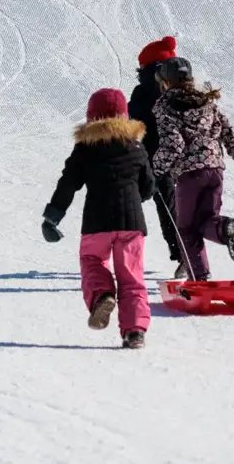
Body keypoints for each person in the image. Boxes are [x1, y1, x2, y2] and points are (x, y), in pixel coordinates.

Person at [42, 88, 155, 349]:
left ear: (92, 116)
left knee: (92, 261)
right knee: (132, 277)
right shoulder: (136, 147)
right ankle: (135, 331)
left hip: (97, 220)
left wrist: (52, 217)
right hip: (131, 223)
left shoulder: (86, 148)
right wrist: (134, 195)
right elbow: (148, 187)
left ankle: (102, 295)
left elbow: (68, 184)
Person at [151, 58, 234, 280]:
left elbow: (174, 144)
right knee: (206, 221)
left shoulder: (166, 105)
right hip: (215, 170)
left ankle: (200, 279)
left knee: (187, 229)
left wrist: (156, 170)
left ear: (166, 82)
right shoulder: (206, 102)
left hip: (190, 175)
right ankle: (225, 227)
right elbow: (228, 134)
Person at [128, 36, 184, 277]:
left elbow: (135, 120)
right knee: (180, 204)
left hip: (153, 159)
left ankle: (181, 253)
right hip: (185, 157)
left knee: (141, 202)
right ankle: (188, 252)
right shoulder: (179, 89)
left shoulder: (143, 92)